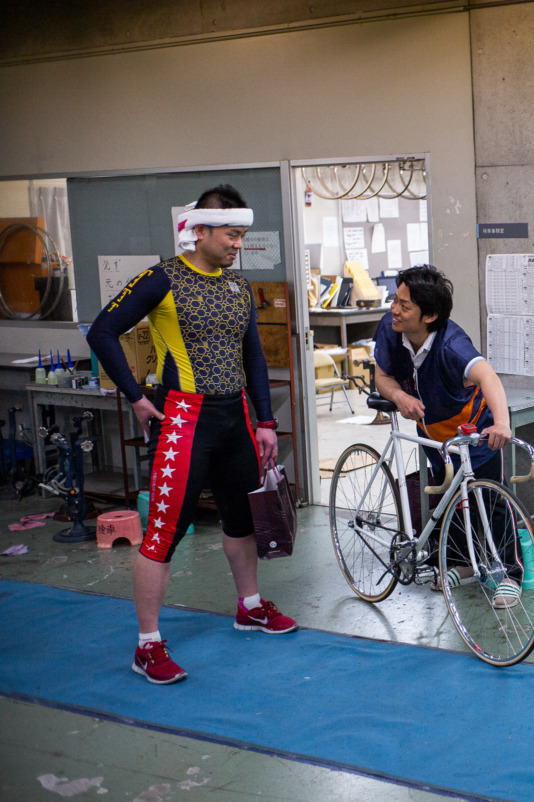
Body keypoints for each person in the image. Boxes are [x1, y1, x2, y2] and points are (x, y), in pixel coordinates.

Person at [87, 184, 296, 686]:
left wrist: (265, 422)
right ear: (197, 230)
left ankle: (249, 606)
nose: (237, 244)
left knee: (241, 517)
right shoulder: (162, 279)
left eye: (242, 235)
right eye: (230, 234)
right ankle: (147, 645)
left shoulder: (238, 287)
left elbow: (254, 358)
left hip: (236, 419)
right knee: (164, 531)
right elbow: (101, 331)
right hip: (184, 418)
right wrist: (138, 396)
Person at [372, 264, 518, 604]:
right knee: (451, 498)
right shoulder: (390, 328)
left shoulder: (452, 345)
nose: (395, 309)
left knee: (490, 499)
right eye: (396, 299)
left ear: (430, 315)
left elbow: (489, 378)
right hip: (433, 434)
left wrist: (502, 424)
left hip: (473, 432)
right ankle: (461, 565)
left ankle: (508, 572)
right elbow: (383, 375)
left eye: (405, 305)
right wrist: (399, 397)